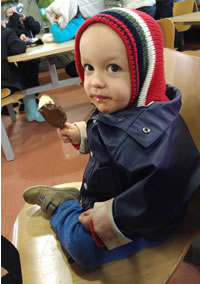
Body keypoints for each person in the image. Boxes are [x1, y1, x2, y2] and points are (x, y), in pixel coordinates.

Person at [23, 8, 200, 270]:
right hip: (113, 193)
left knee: (83, 251)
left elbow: (154, 203)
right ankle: (82, 202)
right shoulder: (123, 105)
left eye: (113, 67)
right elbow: (107, 132)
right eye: (88, 67)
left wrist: (104, 221)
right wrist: (81, 134)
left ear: (145, 71)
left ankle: (64, 208)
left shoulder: (159, 143)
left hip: (146, 220)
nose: (95, 81)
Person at [5, 5, 44, 122]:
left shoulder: (23, 22)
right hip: (21, 60)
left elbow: (36, 28)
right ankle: (32, 111)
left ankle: (30, 108)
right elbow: (14, 32)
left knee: (33, 81)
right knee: (28, 83)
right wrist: (14, 20)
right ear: (6, 19)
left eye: (16, 11)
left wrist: (27, 19)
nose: (16, 14)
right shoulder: (9, 28)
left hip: (33, 56)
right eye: (11, 13)